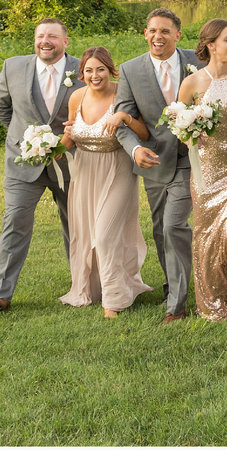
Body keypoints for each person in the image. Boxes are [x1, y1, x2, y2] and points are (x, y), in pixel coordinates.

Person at [0, 18, 83, 313]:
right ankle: (1, 294)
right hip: (22, 163)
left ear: (65, 41)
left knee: (77, 225)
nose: (45, 41)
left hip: (69, 162)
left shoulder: (82, 68)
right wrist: (25, 137)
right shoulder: (13, 66)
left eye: (52, 36)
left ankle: (82, 285)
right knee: (14, 221)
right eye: (40, 36)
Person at [115, 8, 198, 325]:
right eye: (152, 30)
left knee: (174, 225)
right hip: (155, 161)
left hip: (195, 159)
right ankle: (173, 285)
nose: (157, 36)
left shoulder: (198, 61)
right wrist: (135, 150)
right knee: (163, 229)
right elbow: (123, 121)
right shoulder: (130, 70)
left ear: (178, 34)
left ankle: (176, 306)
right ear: (145, 34)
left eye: (164, 31)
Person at [58, 47, 153, 317]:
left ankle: (114, 298)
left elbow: (144, 133)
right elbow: (71, 138)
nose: (94, 75)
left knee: (106, 233)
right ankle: (90, 288)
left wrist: (125, 117)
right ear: (82, 73)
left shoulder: (122, 92)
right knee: (86, 235)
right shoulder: (77, 97)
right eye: (89, 70)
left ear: (110, 69)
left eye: (100, 69)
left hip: (117, 170)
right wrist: (44, 149)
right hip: (85, 174)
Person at [175, 18, 227, 322]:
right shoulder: (192, 83)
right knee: (206, 236)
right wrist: (187, 131)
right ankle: (212, 299)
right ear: (211, 45)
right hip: (205, 171)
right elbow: (178, 122)